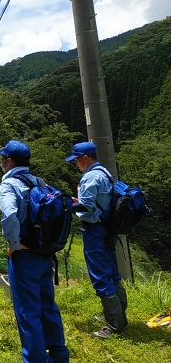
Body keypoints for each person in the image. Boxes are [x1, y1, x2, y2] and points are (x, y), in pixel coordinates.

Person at [0, 140, 70, 363]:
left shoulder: (9, 184)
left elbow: (9, 216)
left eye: (2, 159)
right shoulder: (39, 181)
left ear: (8, 162)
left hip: (25, 256)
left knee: (28, 313)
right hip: (44, 254)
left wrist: (14, 244)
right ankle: (59, 361)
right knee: (47, 306)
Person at [65, 141, 128, 339]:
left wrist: (65, 204)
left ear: (85, 158)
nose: (75, 163)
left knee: (101, 276)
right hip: (108, 229)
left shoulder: (91, 176)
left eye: (76, 159)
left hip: (95, 231)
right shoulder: (105, 173)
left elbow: (86, 207)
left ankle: (115, 325)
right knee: (112, 272)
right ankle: (119, 316)